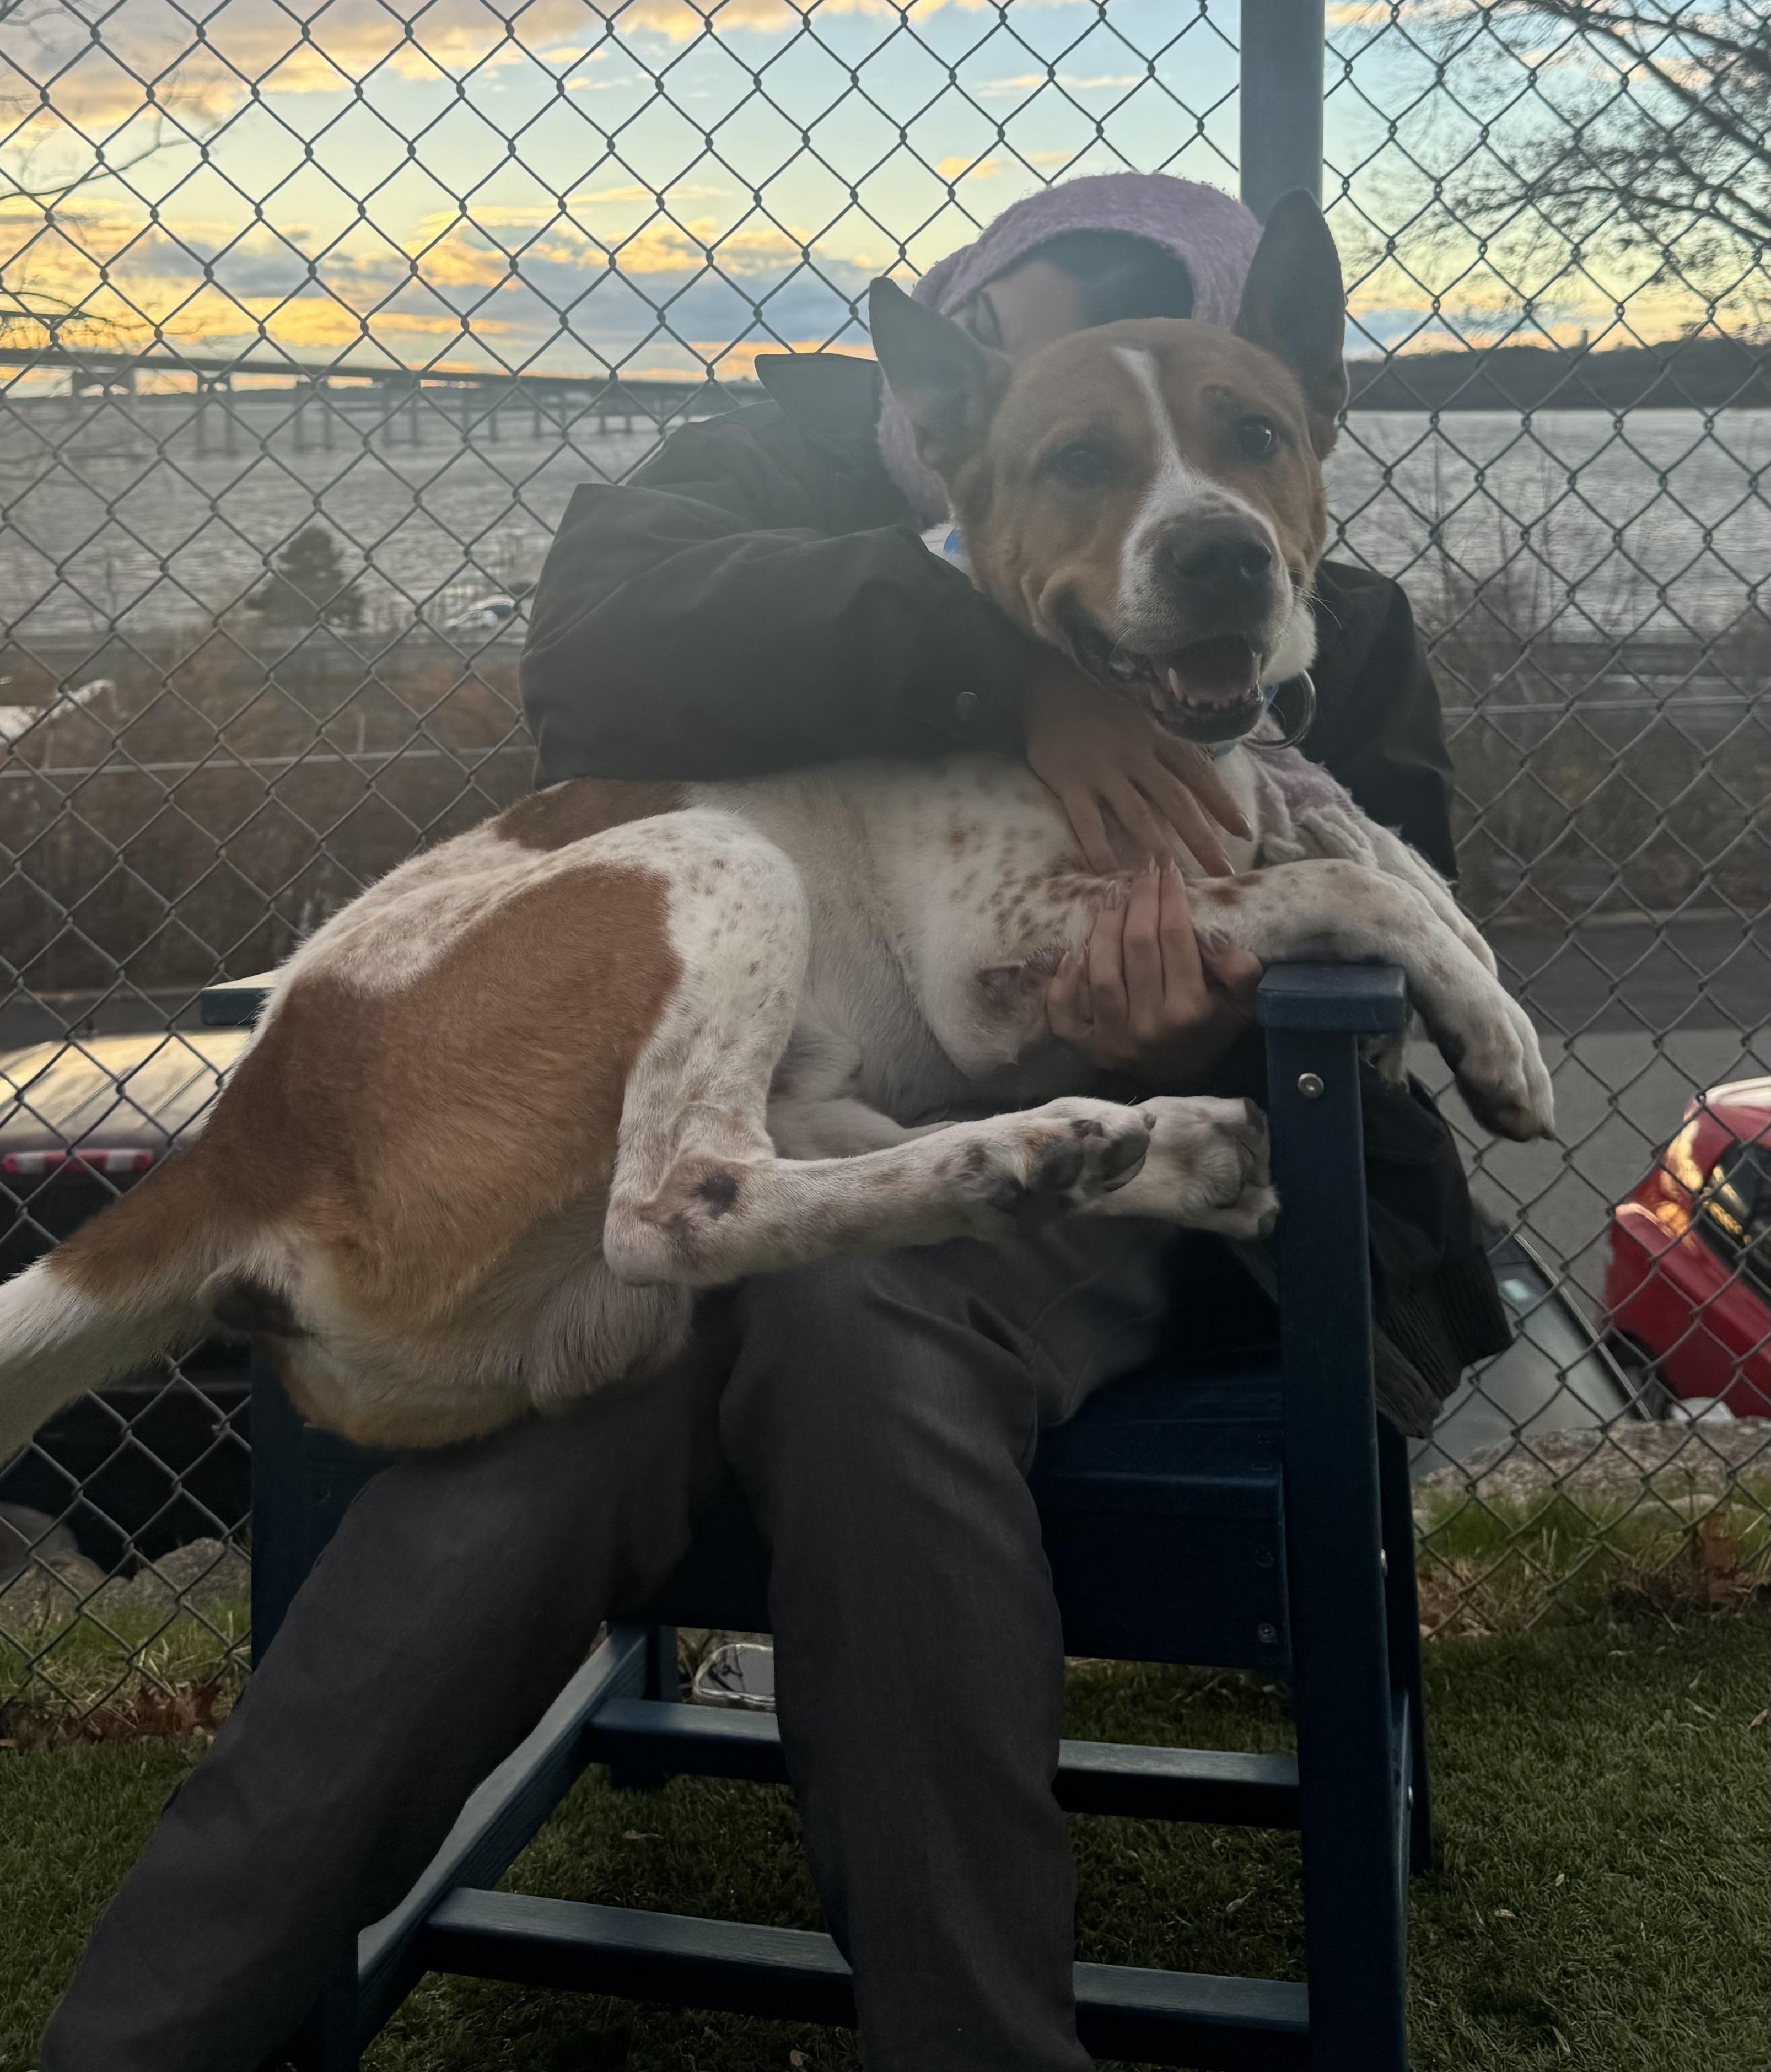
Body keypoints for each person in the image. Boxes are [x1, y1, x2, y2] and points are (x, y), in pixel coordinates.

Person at [41, 173, 1506, 2072]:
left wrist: (1206, 1018)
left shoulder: (1334, 625)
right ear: (967, 409)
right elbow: (595, 645)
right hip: (751, 1142)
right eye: (1047, 395)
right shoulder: (788, 475)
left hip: (1140, 1193)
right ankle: (143, 2042)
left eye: (1218, 417)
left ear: (1284, 423)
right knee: (582, 1419)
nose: (1160, 480)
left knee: (839, 1319)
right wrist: (1006, 670)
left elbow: (1396, 956)